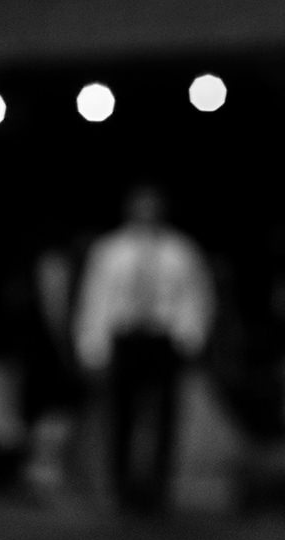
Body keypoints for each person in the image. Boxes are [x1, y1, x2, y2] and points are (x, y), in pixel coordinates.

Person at [72, 184, 216, 510]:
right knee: (121, 414)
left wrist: (191, 337)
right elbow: (96, 297)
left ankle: (160, 489)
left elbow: (197, 296)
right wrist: (92, 343)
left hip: (163, 340)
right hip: (125, 338)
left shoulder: (180, 250)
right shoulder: (110, 250)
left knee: (166, 416)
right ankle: (121, 488)